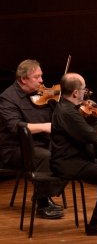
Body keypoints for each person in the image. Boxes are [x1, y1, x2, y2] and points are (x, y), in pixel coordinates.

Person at [50, 73, 97, 236]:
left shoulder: (68, 108)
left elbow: (85, 131)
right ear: (76, 92)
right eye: (84, 90)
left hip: (76, 158)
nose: (86, 93)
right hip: (69, 162)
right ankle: (95, 224)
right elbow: (89, 136)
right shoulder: (67, 112)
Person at [0, 59, 65, 219]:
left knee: (68, 153)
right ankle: (42, 204)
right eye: (37, 77)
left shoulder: (41, 95)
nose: (42, 81)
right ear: (24, 79)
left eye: (41, 76)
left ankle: (44, 193)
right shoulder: (7, 98)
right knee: (45, 156)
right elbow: (16, 127)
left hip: (41, 144)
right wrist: (44, 126)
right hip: (15, 149)